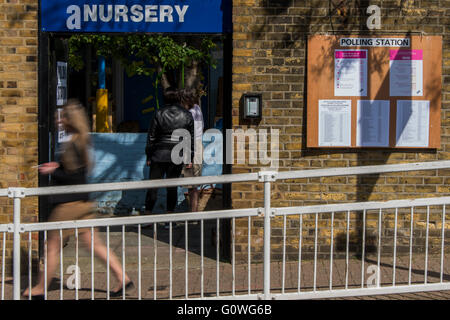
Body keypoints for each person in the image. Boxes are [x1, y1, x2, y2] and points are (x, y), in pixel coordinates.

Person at [22, 99, 133, 299]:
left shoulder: (71, 143)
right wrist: (58, 166)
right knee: (94, 245)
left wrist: (53, 170)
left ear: (70, 119)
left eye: (63, 116)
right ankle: (123, 278)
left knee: (51, 246)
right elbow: (78, 172)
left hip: (68, 205)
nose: (59, 120)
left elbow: (73, 177)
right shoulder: (81, 139)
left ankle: (40, 288)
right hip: (84, 202)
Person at [144, 88, 195, 222]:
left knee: (153, 187)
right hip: (177, 155)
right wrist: (190, 158)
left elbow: (152, 137)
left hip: (159, 154)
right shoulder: (187, 115)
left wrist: (149, 156)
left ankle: (148, 216)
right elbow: (190, 139)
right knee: (172, 187)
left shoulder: (159, 113)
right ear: (179, 99)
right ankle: (169, 219)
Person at [180, 88, 204, 214]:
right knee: (193, 183)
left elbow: (190, 134)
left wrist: (188, 156)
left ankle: (193, 212)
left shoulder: (191, 113)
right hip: (197, 146)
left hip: (192, 146)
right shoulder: (197, 109)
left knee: (191, 183)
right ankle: (193, 211)